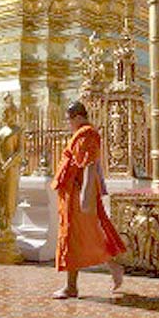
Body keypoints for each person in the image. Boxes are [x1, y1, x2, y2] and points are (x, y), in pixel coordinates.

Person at [51, 101, 125, 299]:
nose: (68, 124)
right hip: (71, 194)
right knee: (84, 235)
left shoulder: (87, 135)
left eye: (68, 119)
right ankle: (110, 268)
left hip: (77, 194)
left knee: (76, 236)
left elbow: (89, 165)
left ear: (77, 117)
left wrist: (85, 193)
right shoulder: (82, 135)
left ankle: (72, 286)